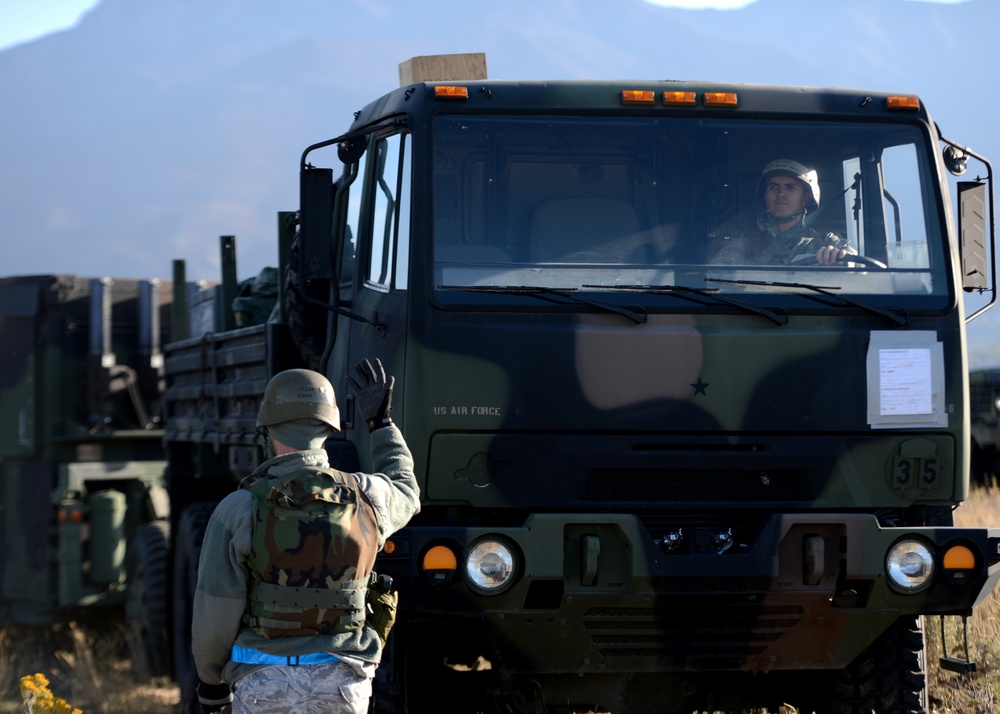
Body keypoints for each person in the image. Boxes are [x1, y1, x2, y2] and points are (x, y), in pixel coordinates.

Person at [191, 359, 420, 714]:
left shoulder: (239, 508)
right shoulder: (367, 496)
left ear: (266, 431)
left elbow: (216, 609)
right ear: (329, 428)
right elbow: (407, 488)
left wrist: (210, 684)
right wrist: (381, 424)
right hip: (344, 682)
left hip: (264, 681)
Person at [711, 158, 856, 265]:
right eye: (773, 187)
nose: (780, 193)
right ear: (765, 196)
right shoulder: (745, 243)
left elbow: (856, 264)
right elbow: (715, 281)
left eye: (790, 187)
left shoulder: (823, 242)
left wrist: (839, 258)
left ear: (806, 198)